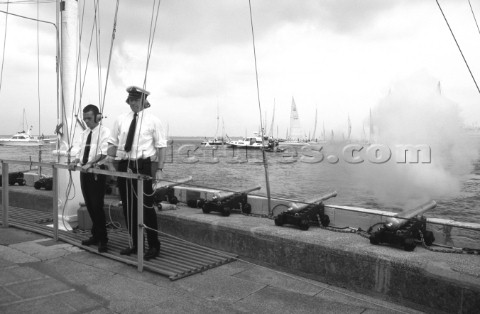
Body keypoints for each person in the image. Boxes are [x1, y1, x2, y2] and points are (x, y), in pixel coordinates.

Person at [106, 86, 166, 260]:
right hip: (125, 165)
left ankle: (154, 246)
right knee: (128, 207)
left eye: (137, 100)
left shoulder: (154, 121)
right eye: (131, 100)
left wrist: (160, 169)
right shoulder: (120, 120)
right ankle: (135, 244)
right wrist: (110, 163)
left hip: (143, 166)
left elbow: (161, 146)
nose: (133, 103)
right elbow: (112, 143)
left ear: (144, 101)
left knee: (146, 207)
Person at [69, 104, 110, 253]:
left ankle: (103, 239)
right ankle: (95, 235)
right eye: (84, 118)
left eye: (89, 118)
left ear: (98, 117)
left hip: (96, 171)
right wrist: (76, 160)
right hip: (84, 171)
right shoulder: (84, 133)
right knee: (89, 205)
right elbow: (80, 150)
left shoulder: (105, 132)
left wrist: (91, 163)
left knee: (97, 205)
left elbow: (104, 152)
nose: (86, 121)